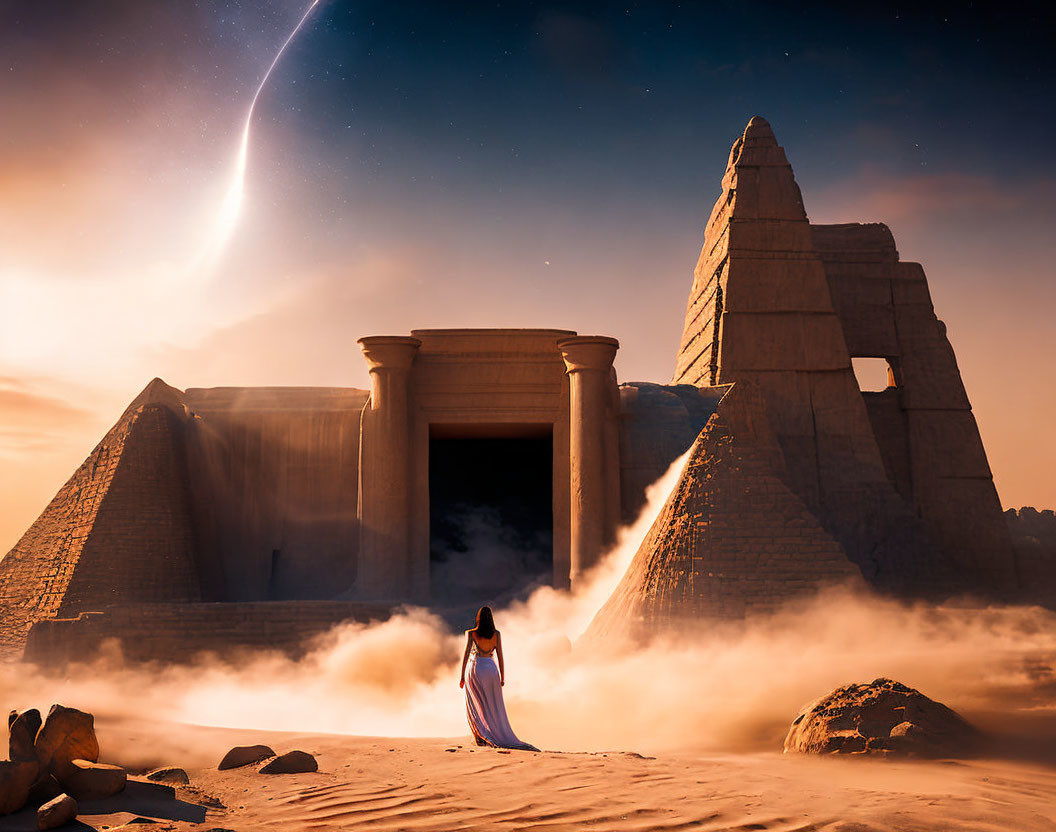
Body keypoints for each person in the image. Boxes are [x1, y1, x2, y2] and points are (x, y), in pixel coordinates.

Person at [459, 605, 538, 751]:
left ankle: (481, 736)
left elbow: (466, 655)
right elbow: (500, 656)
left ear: (478, 618)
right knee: (494, 704)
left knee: (477, 702)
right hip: (491, 668)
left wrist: (462, 675)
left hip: (476, 668)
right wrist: (502, 676)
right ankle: (493, 733)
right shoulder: (497, 634)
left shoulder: (471, 634)